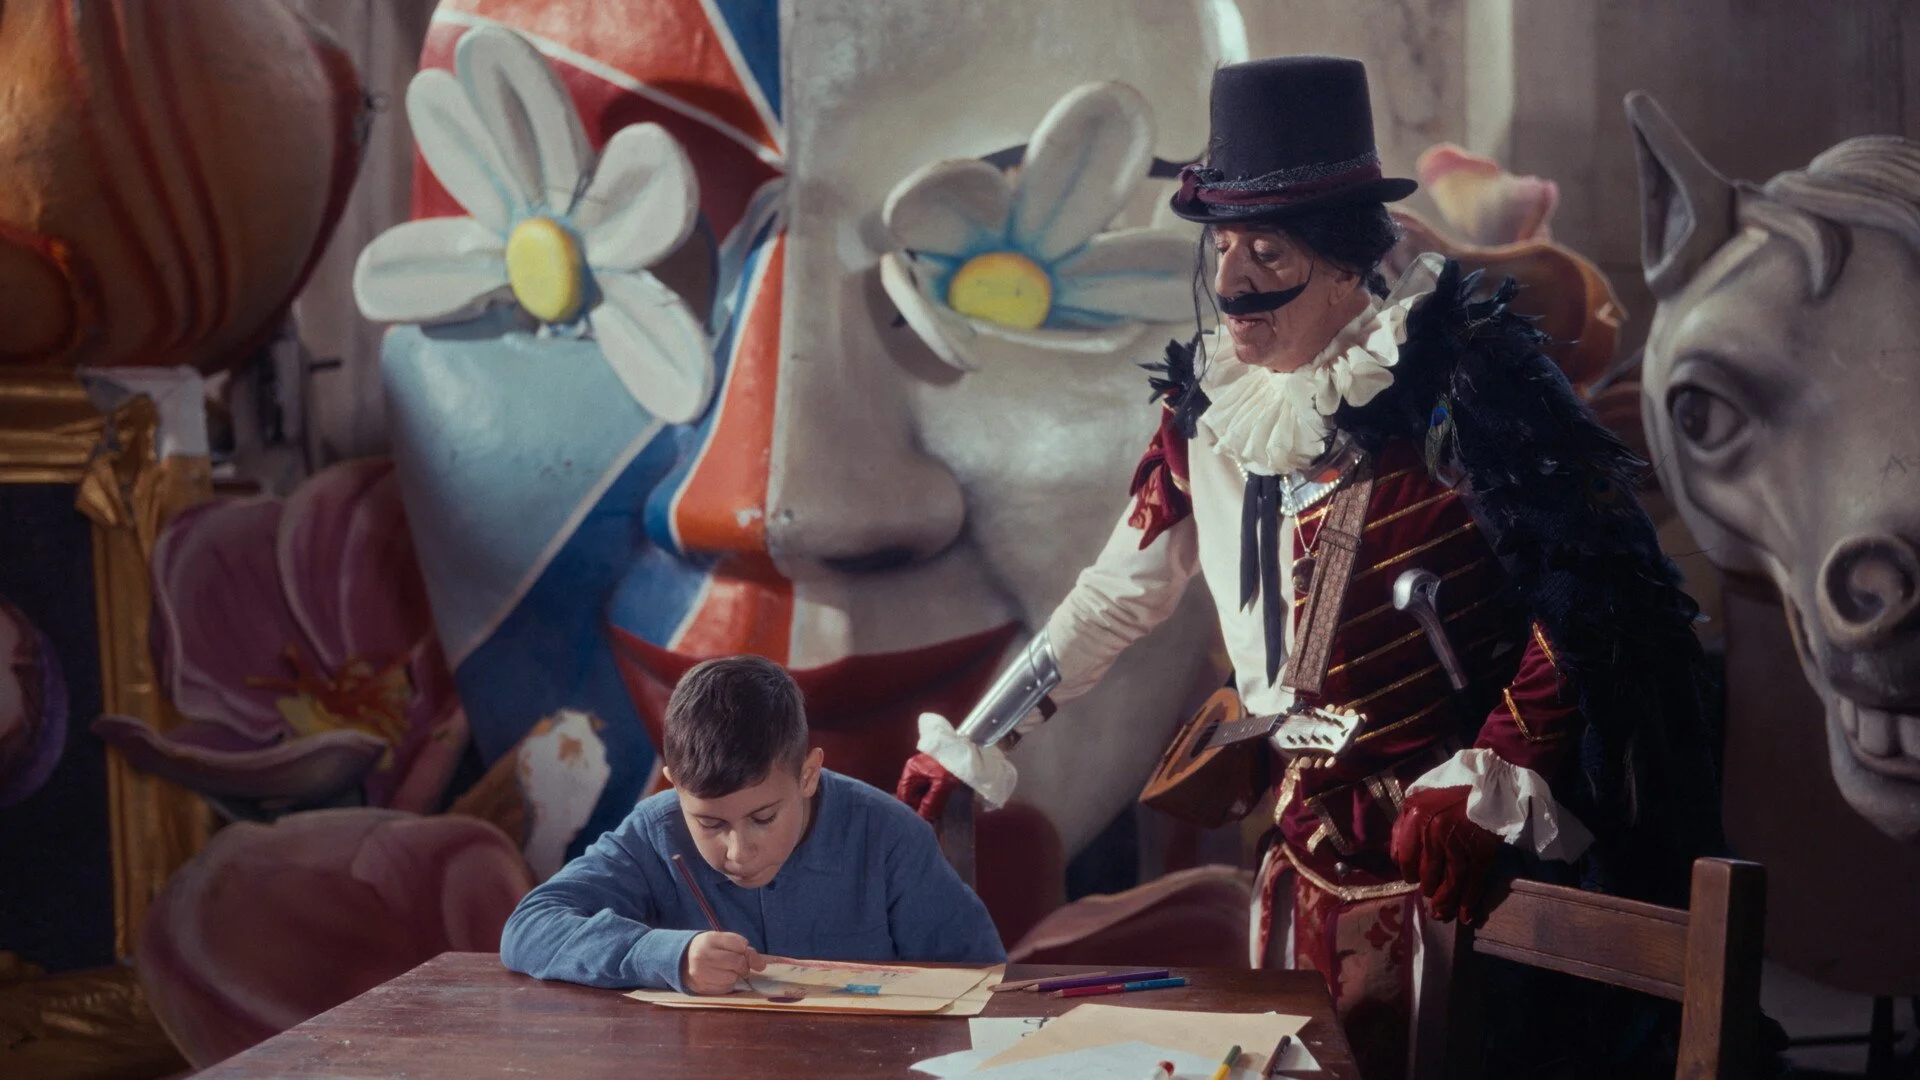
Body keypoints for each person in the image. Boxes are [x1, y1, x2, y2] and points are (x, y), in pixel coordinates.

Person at [897, 56, 1722, 1078]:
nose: (1236, 282)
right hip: (1300, 846)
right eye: (1226, 246)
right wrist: (977, 739)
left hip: (1463, 864)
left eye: (1269, 248)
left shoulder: (1471, 392)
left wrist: (1491, 775)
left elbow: (1597, 598)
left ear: (1345, 264)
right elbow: (1119, 594)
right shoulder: (1209, 412)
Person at [502, 655, 1004, 992]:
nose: (739, 853)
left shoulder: (890, 838)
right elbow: (528, 928)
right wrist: (662, 955)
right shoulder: (654, 831)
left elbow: (982, 980)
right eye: (710, 823)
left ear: (808, 774)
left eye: (763, 818)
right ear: (675, 785)